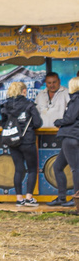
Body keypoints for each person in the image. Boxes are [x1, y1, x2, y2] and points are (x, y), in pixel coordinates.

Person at [0, 82, 43, 206]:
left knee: (18, 169)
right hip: (27, 140)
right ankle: (29, 198)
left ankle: (19, 199)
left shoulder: (5, 106)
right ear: (24, 91)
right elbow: (37, 123)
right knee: (32, 169)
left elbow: (2, 124)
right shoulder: (29, 105)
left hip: (12, 141)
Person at [50, 78, 79, 210]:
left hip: (71, 136)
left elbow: (70, 118)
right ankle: (62, 197)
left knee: (75, 169)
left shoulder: (76, 99)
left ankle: (76, 199)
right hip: (71, 136)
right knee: (57, 166)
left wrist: (58, 121)